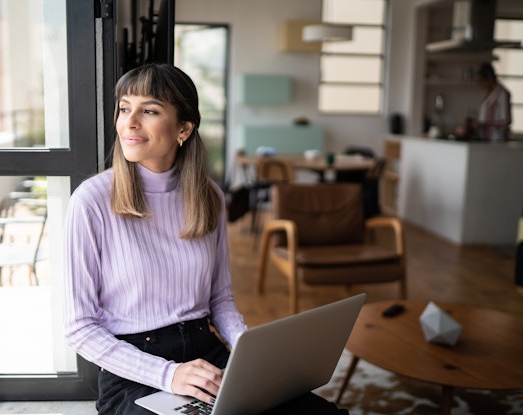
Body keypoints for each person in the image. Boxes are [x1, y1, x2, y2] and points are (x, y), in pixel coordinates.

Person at [62, 63, 348, 415]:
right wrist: (169, 375)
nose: (129, 122)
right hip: (135, 368)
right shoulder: (90, 201)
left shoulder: (208, 196)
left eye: (148, 110)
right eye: (124, 108)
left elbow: (220, 298)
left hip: (207, 351)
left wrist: (249, 351)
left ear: (184, 128)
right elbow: (79, 327)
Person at [475, 62, 512, 141]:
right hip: (485, 138)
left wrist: (485, 124)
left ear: (489, 77)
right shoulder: (490, 94)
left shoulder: (502, 94)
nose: (480, 85)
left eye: (481, 81)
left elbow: (506, 120)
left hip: (497, 139)